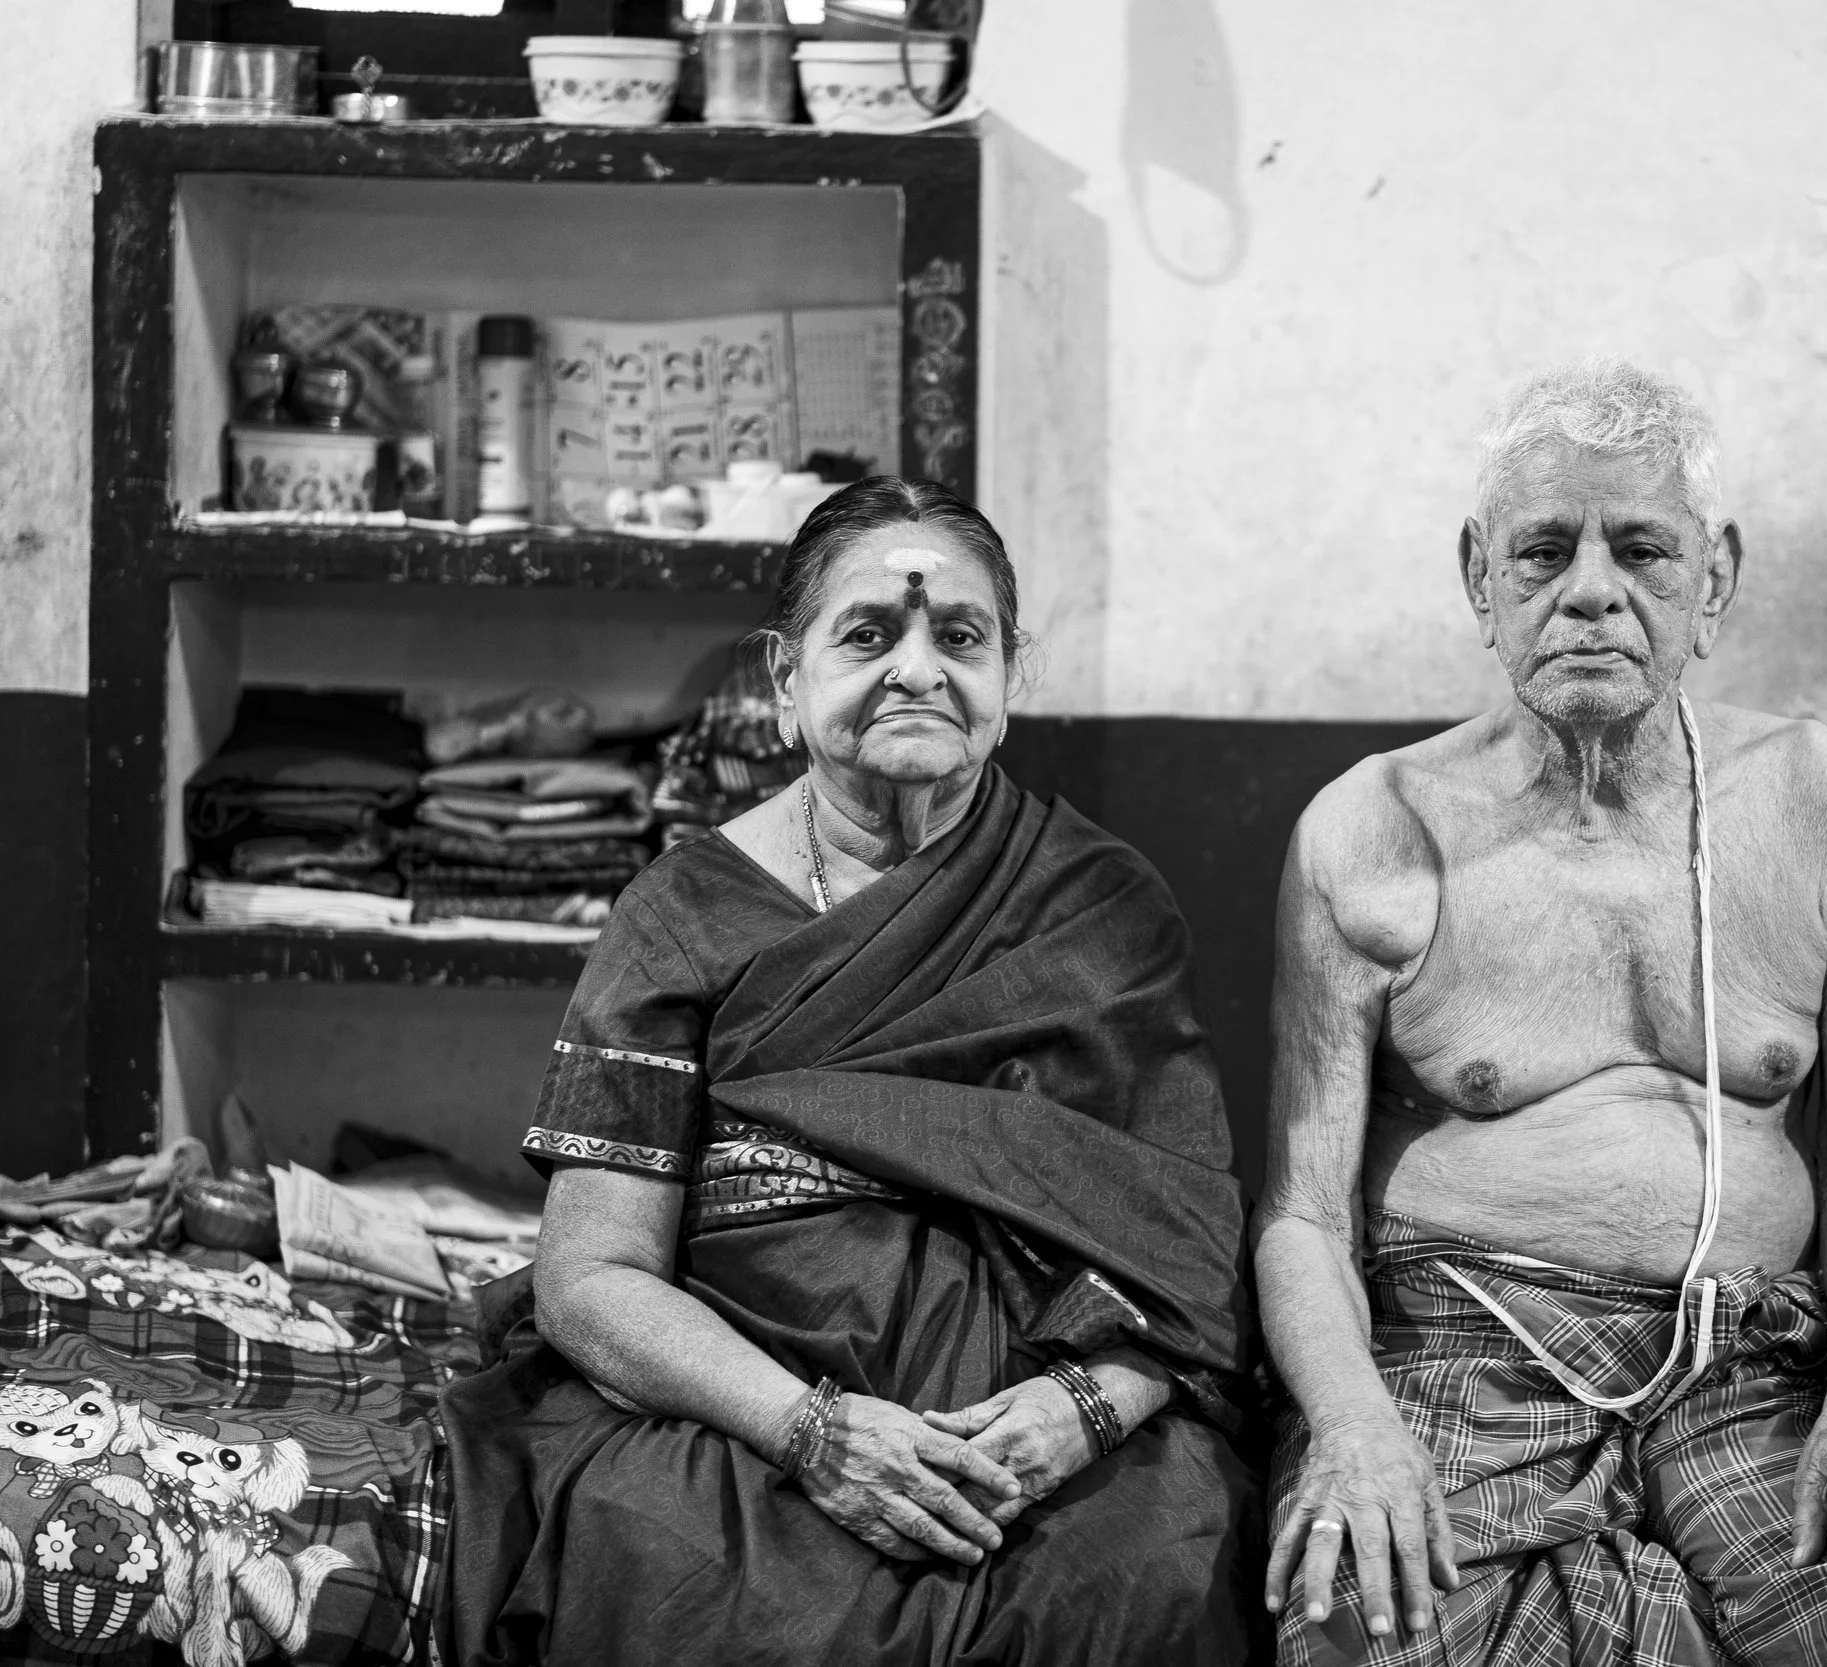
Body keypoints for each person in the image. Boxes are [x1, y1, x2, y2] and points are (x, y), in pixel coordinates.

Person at [441, 478, 1263, 1666]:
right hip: (752, 1416)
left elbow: (1187, 1258)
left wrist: (1082, 1410)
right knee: (693, 1582)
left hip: (1036, 1433)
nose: (919, 670)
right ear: (784, 678)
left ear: (1012, 675)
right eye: (868, 633)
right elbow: (590, 1276)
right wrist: (813, 1432)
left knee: (1155, 1567)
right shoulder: (683, 912)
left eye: (961, 637)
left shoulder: (1102, 908)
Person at [1255, 362, 1827, 1666]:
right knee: (1363, 1632)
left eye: (1641, 548)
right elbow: (1301, 1211)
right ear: (1479, 577)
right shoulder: (1373, 830)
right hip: (1466, 1350)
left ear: (1714, 579)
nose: (1590, 588)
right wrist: (1352, 1421)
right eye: (1544, 549)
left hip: (1747, 1357)